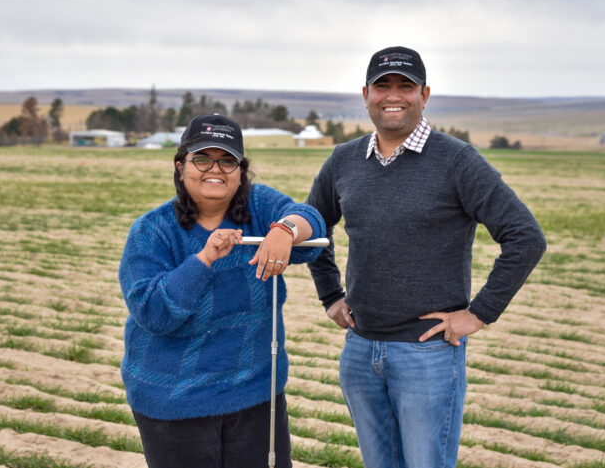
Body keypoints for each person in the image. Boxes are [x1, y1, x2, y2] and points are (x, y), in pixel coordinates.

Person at [306, 46, 547, 468]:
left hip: (427, 355)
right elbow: (313, 228)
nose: (393, 96)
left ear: (425, 94)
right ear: (365, 94)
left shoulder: (457, 161)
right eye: (383, 86)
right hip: (361, 351)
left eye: (406, 86)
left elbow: (525, 237)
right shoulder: (343, 161)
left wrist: (479, 314)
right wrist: (330, 295)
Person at [119, 113, 326, 468]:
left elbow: (312, 224)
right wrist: (204, 258)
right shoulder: (151, 231)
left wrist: (284, 230)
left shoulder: (259, 209)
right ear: (181, 166)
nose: (215, 168)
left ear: (240, 171)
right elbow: (154, 313)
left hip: (255, 393)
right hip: (176, 400)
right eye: (202, 158)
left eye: (228, 160)